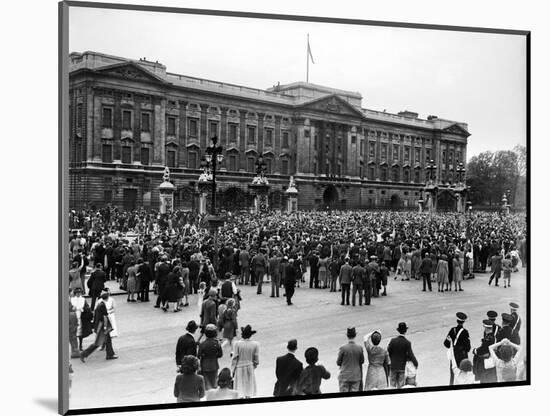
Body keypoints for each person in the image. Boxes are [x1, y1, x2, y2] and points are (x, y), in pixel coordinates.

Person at [80, 289, 118, 362]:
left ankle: (110, 354)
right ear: (107, 298)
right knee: (97, 343)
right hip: (102, 326)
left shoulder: (100, 304)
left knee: (107, 341)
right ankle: (84, 354)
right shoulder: (102, 306)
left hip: (100, 326)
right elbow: (104, 316)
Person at [387, 322, 418, 389]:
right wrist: (416, 363)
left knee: (392, 386)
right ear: (405, 331)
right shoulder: (407, 343)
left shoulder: (393, 341)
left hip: (393, 366)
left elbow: (389, 351)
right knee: (401, 386)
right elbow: (411, 355)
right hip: (402, 367)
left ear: (398, 330)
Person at [232, 325, 260, 398]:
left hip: (239, 367)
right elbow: (256, 359)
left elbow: (235, 358)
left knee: (240, 388)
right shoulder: (255, 344)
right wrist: (253, 366)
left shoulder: (237, 344)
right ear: (250, 335)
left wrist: (233, 370)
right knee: (249, 388)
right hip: (250, 367)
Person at [443, 312, 471, 385]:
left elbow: (446, 343)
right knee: (463, 376)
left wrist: (453, 346)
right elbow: (468, 348)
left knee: (453, 375)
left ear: (457, 321)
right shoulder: (465, 332)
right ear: (464, 321)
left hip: (453, 356)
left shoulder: (452, 330)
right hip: (462, 357)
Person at [336, 327, 364, 392]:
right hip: (356, 376)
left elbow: (338, 362)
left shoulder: (343, 348)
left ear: (347, 335)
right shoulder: (359, 348)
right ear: (355, 335)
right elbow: (362, 361)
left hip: (344, 376)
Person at [198, 324, 223, 390]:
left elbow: (198, 355)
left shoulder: (202, 344)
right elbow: (220, 354)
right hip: (214, 365)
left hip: (205, 366)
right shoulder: (217, 343)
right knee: (214, 384)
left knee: (207, 385)